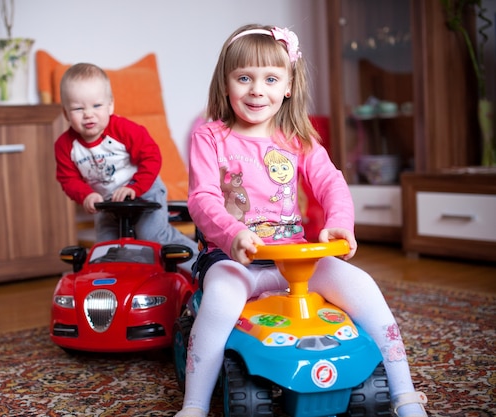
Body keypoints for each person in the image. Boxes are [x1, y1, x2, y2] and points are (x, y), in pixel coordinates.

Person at [175, 24, 427, 417]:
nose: (257, 90)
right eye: (244, 78)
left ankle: (405, 394)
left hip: (295, 258)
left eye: (270, 79)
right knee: (221, 302)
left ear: (288, 86)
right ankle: (194, 404)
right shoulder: (211, 136)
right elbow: (202, 198)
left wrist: (340, 221)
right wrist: (233, 233)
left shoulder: (298, 138)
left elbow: (332, 184)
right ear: (226, 83)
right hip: (232, 258)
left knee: (362, 287)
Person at [54, 63, 198, 271]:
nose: (88, 114)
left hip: (144, 190)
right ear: (66, 113)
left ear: (110, 105)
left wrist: (134, 187)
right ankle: (118, 287)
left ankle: (202, 267)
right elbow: (68, 179)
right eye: (78, 108)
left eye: (96, 106)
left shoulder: (125, 130)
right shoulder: (65, 145)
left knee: (152, 236)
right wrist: (86, 195)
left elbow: (151, 157)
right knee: (106, 247)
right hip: (107, 202)